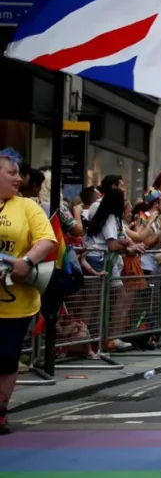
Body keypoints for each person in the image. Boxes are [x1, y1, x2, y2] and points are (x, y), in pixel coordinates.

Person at [0, 149, 57, 434]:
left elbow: (48, 239)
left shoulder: (27, 207)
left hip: (16, 301)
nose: (19, 179)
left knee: (7, 358)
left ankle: (1, 411)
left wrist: (27, 261)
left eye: (20, 174)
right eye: (12, 173)